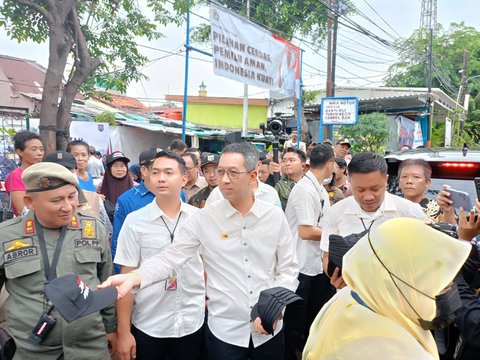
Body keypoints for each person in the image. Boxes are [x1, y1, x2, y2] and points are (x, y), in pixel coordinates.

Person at [100, 142, 299, 360]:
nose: (223, 179)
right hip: (225, 331)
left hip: (270, 329)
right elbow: (171, 258)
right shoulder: (205, 218)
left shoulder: (274, 216)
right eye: (220, 171)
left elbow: (288, 269)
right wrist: (134, 277)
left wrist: (274, 307)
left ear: (253, 176)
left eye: (233, 173)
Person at [303, 218, 471, 359]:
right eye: (440, 282)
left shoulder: (353, 297)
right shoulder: (394, 352)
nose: (448, 289)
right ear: (405, 279)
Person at [0, 162, 116, 359]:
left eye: (72, 197)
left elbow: (107, 281)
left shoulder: (93, 227)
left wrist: (112, 328)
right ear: (30, 202)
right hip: (31, 350)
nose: (67, 206)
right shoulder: (6, 236)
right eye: (56, 200)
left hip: (90, 347)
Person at [115, 151, 205, 360]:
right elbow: (126, 277)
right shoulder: (135, 222)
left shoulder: (199, 218)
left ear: (184, 179)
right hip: (149, 324)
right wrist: (124, 332)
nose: (161, 178)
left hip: (192, 321)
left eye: (168, 172)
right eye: (155, 172)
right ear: (146, 177)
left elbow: (205, 266)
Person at [320, 152, 425, 289]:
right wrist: (337, 278)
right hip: (352, 298)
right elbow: (327, 256)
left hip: (398, 300)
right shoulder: (336, 212)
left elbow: (423, 259)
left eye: (375, 189)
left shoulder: (410, 212)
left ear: (386, 180)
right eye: (360, 190)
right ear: (349, 182)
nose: (368, 197)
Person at [284, 144, 336, 359]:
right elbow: (305, 231)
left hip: (315, 265)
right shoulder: (305, 189)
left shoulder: (319, 188)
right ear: (331, 164)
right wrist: (337, 236)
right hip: (301, 266)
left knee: (311, 321)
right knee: (295, 323)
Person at [45, 150, 112, 237]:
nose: (62, 175)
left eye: (68, 170)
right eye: (56, 171)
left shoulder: (95, 199)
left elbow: (106, 234)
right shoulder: (35, 203)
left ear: (76, 171)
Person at [112, 148, 158, 273]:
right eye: (156, 169)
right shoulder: (126, 200)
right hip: (138, 271)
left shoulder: (177, 194)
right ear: (144, 171)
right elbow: (118, 239)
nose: (162, 174)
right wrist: (121, 274)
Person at [398, 159, 455, 223]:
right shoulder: (391, 206)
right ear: (399, 182)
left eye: (416, 177)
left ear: (427, 183)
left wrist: (448, 212)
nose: (409, 181)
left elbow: (453, 230)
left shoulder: (440, 208)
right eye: (404, 176)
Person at [5, 130, 44, 216]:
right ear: (20, 152)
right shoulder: (15, 177)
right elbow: (22, 210)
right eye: (34, 149)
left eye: (41, 149)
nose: (39, 153)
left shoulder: (44, 173)